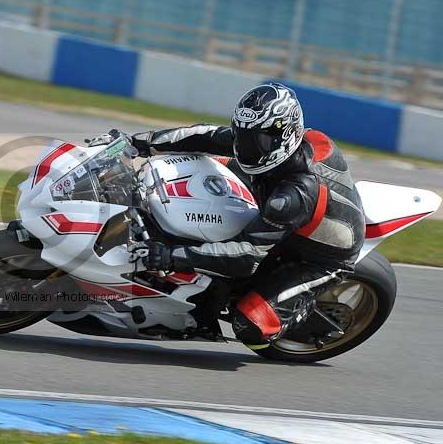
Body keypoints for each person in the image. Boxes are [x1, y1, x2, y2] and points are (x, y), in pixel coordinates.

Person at [131, 83, 365, 349]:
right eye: (243, 136)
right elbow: (205, 135)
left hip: (318, 257)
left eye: (259, 141)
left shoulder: (293, 196)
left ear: (285, 136)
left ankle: (302, 317)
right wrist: (140, 143)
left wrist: (172, 257)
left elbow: (246, 257)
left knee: (250, 326)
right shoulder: (264, 147)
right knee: (198, 169)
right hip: (278, 203)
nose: (246, 147)